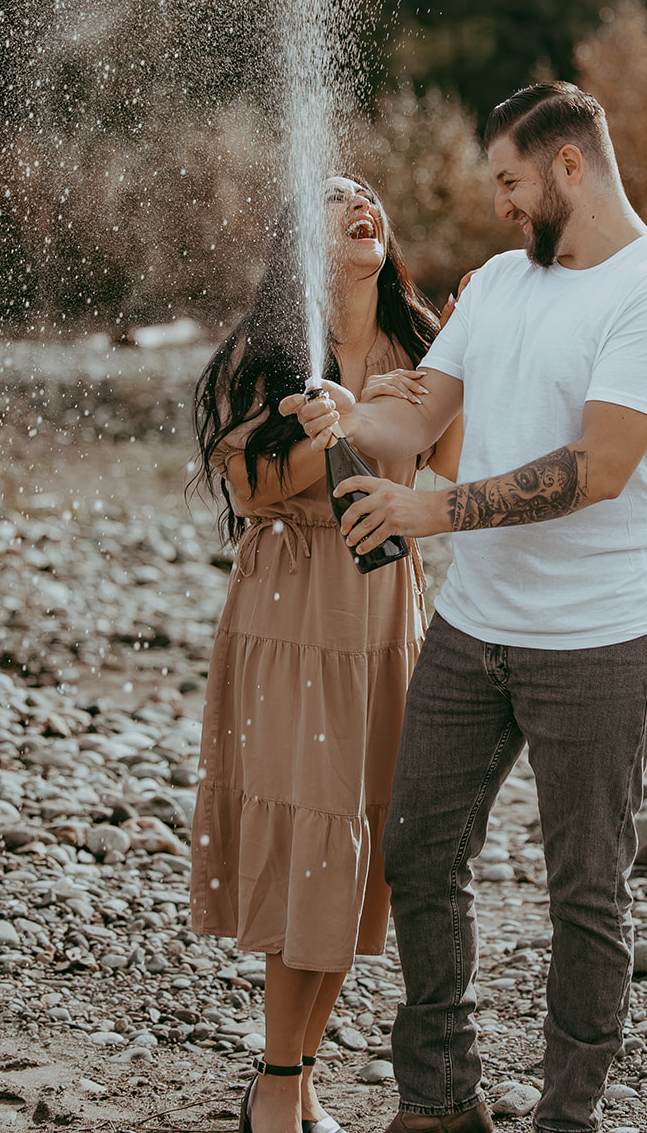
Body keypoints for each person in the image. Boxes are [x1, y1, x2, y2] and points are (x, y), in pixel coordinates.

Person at [283, 84, 647, 1133]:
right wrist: (351, 413)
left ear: (570, 167)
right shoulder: (495, 288)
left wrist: (428, 512)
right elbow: (425, 408)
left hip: (603, 641)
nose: (500, 204)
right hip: (474, 631)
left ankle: (565, 1119)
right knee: (420, 857)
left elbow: (597, 467)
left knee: (584, 893)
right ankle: (440, 1104)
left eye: (510, 181)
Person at [190, 176, 462, 1133]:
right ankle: (275, 1081)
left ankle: (295, 1079)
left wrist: (472, 365)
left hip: (384, 616)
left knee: (359, 846)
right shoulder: (261, 355)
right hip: (290, 607)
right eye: (335, 197)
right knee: (313, 838)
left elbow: (457, 461)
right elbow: (253, 489)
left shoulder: (418, 346)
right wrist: (333, 425)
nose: (363, 205)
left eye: (370, 195)